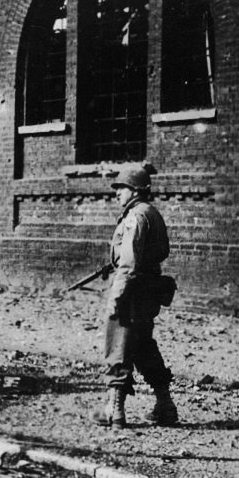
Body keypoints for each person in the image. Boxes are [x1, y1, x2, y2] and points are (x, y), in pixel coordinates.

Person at [90, 165, 178, 428]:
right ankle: (165, 405)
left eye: (123, 188)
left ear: (137, 190)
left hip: (131, 291)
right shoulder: (152, 214)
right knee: (143, 346)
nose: (118, 193)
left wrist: (117, 295)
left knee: (119, 343)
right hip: (148, 291)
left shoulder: (135, 217)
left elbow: (128, 263)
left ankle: (114, 410)